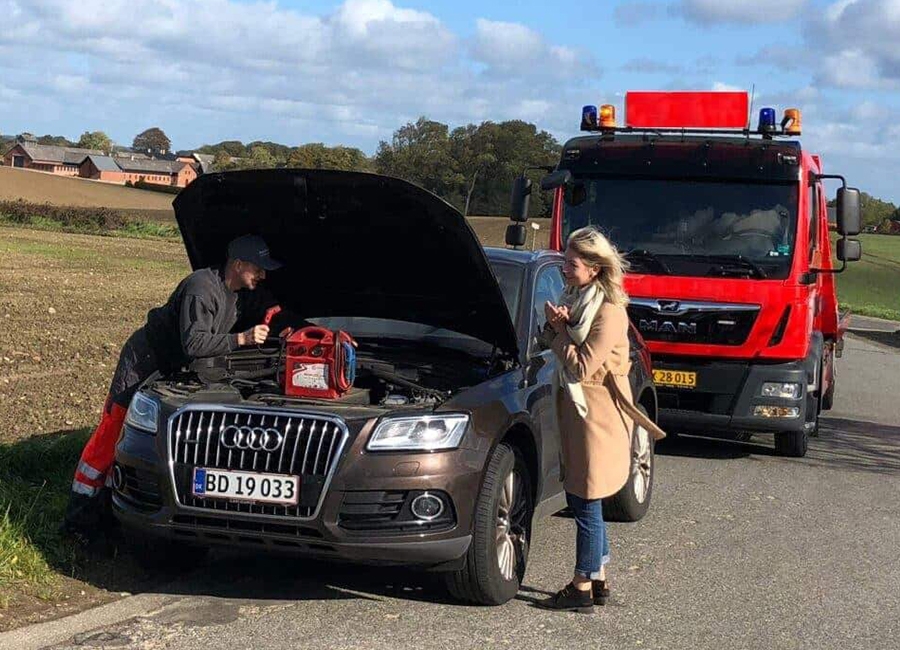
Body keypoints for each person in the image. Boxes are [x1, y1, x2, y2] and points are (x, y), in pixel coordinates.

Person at [62, 234, 284, 542]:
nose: (262, 275)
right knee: (113, 432)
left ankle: (118, 515)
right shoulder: (201, 288)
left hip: (172, 367)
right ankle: (78, 521)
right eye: (258, 268)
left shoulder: (241, 293)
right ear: (238, 264)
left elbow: (273, 307)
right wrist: (241, 339)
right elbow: (194, 343)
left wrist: (287, 322)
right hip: (145, 361)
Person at [538, 226, 666, 613]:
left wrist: (560, 331)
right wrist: (556, 327)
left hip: (597, 415)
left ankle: (581, 586)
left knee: (586, 499)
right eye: (563, 261)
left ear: (594, 268)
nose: (564, 268)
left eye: (571, 263)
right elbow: (554, 341)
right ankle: (600, 580)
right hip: (580, 413)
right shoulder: (576, 299)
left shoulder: (608, 311)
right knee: (583, 495)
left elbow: (581, 366)